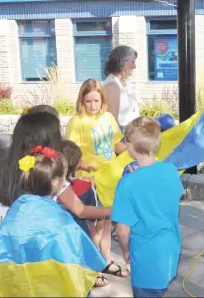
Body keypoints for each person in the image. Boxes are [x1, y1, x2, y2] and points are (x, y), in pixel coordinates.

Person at [0, 107, 112, 286]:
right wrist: (111, 210)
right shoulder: (53, 175)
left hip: (8, 250)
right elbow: (81, 210)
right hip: (42, 255)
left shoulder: (3, 171)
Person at [0, 148, 107, 297]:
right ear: (56, 184)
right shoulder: (62, 222)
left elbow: (1, 257)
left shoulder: (13, 216)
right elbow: (82, 258)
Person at [111, 116, 184, 298]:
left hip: (146, 258)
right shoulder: (170, 171)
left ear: (129, 146)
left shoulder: (127, 183)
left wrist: (125, 250)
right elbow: (168, 196)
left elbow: (122, 230)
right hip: (170, 249)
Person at [65, 79, 130, 282]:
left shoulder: (109, 118)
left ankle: (106, 260)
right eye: (88, 101)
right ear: (81, 101)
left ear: (102, 100)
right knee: (95, 227)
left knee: (107, 221)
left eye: (96, 100)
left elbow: (117, 145)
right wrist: (84, 167)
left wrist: (136, 151)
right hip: (88, 183)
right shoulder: (76, 122)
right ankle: (93, 268)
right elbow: (70, 154)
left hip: (110, 179)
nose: (93, 106)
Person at [103, 45, 140, 131]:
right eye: (133, 62)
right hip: (123, 139)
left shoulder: (126, 81)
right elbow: (112, 121)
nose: (135, 66)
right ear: (122, 62)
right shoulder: (112, 85)